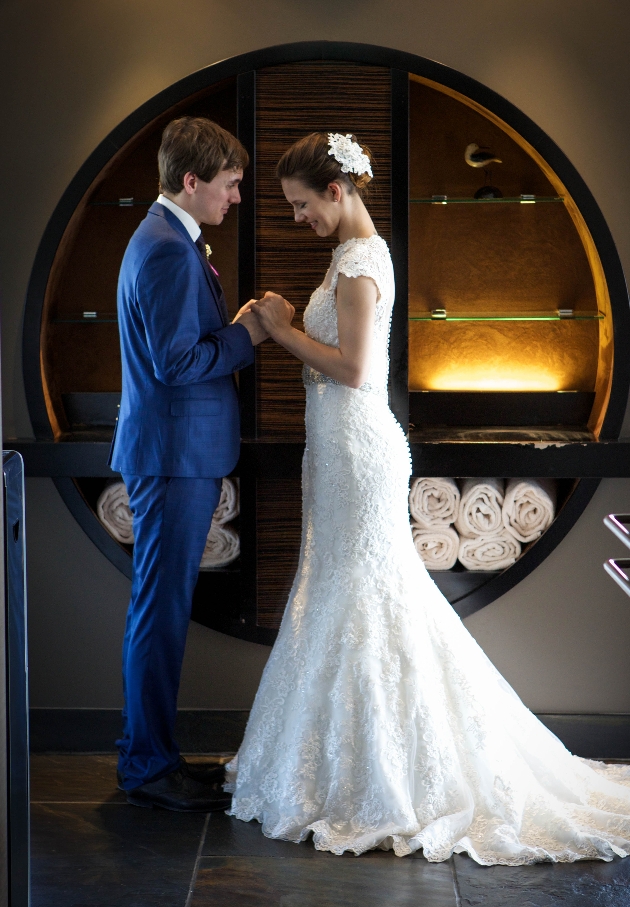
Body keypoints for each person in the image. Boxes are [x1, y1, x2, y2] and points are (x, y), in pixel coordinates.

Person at [225, 131, 630, 863]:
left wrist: (282, 330)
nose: (297, 218)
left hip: (357, 449)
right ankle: (343, 761)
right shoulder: (352, 257)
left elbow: (353, 369)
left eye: (301, 205)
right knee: (350, 595)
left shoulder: (358, 261)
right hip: (339, 452)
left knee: (366, 597)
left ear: (338, 192)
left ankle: (382, 774)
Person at [109, 117, 266, 812]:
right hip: (173, 456)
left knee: (163, 607)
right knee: (160, 611)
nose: (235, 198)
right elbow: (178, 363)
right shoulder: (169, 250)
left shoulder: (166, 238)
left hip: (174, 452)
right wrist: (245, 334)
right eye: (230, 185)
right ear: (193, 180)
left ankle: (156, 755)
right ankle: (146, 764)